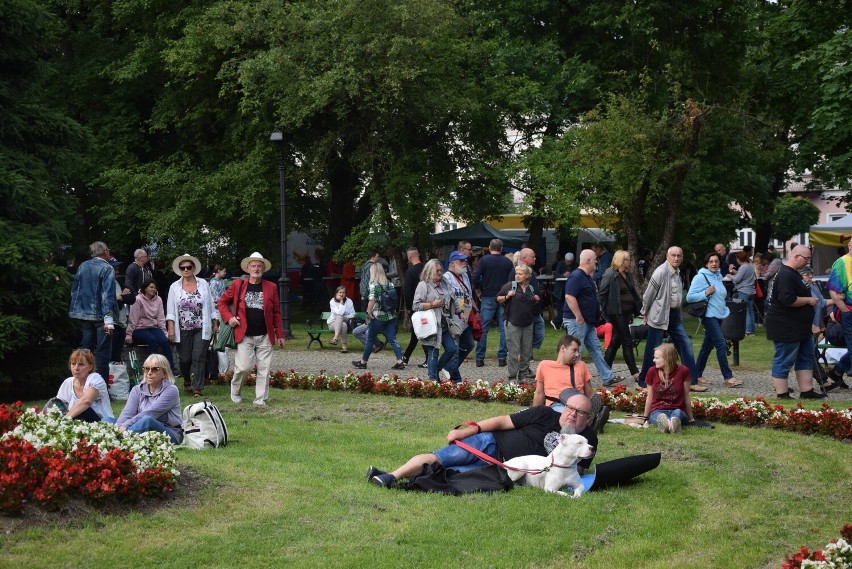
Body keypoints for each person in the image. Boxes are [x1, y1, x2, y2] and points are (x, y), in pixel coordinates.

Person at [367, 392, 598, 488]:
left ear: (588, 418)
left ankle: (390, 478)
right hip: (490, 443)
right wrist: (470, 429)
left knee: (451, 473)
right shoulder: (545, 413)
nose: (572, 414)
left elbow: (574, 471)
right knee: (442, 458)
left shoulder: (588, 440)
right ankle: (391, 477)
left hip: (503, 470)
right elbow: (502, 421)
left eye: (579, 413)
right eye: (569, 408)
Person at [218, 252, 286, 405]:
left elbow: (276, 312)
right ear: (248, 268)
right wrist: (230, 318)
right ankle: (235, 391)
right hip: (245, 334)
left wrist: (280, 334)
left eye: (259, 266)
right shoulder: (238, 285)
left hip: (265, 335)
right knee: (243, 367)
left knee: (264, 368)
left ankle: (260, 399)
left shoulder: (271, 287)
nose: (256, 268)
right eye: (253, 266)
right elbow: (222, 302)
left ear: (264, 269)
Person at [765, 245, 826, 399]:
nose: (808, 262)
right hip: (785, 326)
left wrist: (810, 323)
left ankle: (807, 391)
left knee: (806, 357)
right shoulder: (785, 274)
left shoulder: (793, 273)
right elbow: (787, 299)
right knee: (785, 358)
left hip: (800, 326)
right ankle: (782, 393)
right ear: (796, 257)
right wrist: (809, 300)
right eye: (806, 258)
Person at [637, 246, 699, 390]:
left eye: (679, 256)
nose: (676, 258)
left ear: (682, 257)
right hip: (659, 315)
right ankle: (643, 382)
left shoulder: (677, 272)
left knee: (686, 344)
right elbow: (648, 295)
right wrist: (645, 312)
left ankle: (692, 382)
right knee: (654, 350)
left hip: (674, 315)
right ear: (667, 256)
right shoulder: (660, 272)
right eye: (673, 255)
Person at [564, 249, 621, 387]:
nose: (597, 261)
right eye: (595, 259)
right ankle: (572, 380)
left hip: (588, 322)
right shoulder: (576, 276)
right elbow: (569, 297)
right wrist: (578, 316)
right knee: (576, 351)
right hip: (577, 321)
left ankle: (607, 377)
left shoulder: (586, 276)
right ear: (588, 260)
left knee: (596, 349)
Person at [686, 252, 741, 388]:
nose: (714, 264)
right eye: (711, 261)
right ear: (706, 263)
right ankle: (728, 377)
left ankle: (696, 375)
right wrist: (705, 293)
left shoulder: (718, 276)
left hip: (719, 315)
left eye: (716, 261)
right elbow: (689, 297)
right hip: (708, 316)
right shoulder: (700, 277)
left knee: (707, 346)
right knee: (721, 344)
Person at [167, 254, 217, 398]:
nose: (186, 269)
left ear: (194, 268)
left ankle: (198, 388)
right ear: (180, 269)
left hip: (202, 327)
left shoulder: (203, 284)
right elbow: (170, 311)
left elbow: (210, 305)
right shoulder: (174, 287)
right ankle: (187, 380)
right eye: (183, 267)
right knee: (185, 359)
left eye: (189, 267)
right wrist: (170, 328)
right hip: (182, 328)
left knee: (199, 357)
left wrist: (215, 323)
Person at [68, 241, 117, 382]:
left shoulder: (83, 266)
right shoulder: (107, 268)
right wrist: (109, 319)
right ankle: (99, 389)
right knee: (102, 354)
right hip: (101, 316)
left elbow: (75, 290)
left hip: (83, 314)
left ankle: (82, 385)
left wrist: (76, 310)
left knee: (85, 352)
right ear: (105, 252)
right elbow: (107, 295)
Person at [115, 354, 183, 444]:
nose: (149, 372)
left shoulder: (171, 390)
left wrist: (125, 426)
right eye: (146, 369)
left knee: (147, 420)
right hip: (140, 428)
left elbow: (151, 413)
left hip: (170, 433)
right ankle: (116, 437)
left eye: (155, 369)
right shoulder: (137, 389)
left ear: (164, 373)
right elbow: (127, 413)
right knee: (108, 419)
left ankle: (116, 440)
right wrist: (118, 426)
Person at [352, 262, 406, 370]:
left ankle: (363, 362)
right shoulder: (389, 284)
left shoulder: (374, 285)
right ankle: (400, 361)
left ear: (373, 272)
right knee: (392, 339)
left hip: (379, 316)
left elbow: (372, 299)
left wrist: (368, 311)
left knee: (370, 338)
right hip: (391, 315)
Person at [470, 239, 515, 367]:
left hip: (488, 295)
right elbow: (512, 280)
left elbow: (475, 276)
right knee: (503, 328)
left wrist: (478, 289)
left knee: (484, 328)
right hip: (503, 296)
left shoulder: (484, 260)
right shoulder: (508, 262)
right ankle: (502, 357)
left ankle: (479, 358)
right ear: (501, 248)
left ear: (490, 248)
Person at [598, 250, 641, 382]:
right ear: (621, 260)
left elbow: (632, 292)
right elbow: (602, 294)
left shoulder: (626, 274)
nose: (630, 262)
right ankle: (635, 373)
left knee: (615, 341)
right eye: (628, 259)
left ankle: (605, 370)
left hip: (626, 312)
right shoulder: (610, 274)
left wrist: (637, 309)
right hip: (616, 312)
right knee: (627, 341)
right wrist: (603, 313)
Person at [411, 259, 458, 381]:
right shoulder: (423, 285)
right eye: (437, 271)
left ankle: (436, 370)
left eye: (440, 270)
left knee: (452, 349)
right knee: (433, 352)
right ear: (429, 271)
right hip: (431, 325)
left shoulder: (445, 282)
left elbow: (453, 297)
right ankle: (433, 380)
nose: (440, 273)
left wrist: (459, 311)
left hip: (444, 323)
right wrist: (432, 304)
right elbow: (416, 306)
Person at [126, 279, 178, 374]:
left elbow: (161, 318)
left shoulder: (158, 300)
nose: (153, 289)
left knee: (164, 341)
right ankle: (151, 368)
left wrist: (165, 333)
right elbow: (133, 318)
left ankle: (171, 369)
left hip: (153, 328)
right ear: (145, 288)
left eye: (155, 288)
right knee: (152, 340)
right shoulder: (138, 299)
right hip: (139, 329)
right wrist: (129, 334)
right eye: (151, 287)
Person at [497, 264, 540, 380]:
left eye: (520, 274)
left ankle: (523, 375)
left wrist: (535, 300)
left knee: (526, 353)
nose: (517, 276)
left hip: (528, 324)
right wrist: (507, 296)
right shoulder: (510, 286)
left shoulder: (531, 288)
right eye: (516, 273)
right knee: (514, 353)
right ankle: (511, 377)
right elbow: (498, 299)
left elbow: (529, 304)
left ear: (527, 275)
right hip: (513, 324)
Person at [641, 344, 694, 434]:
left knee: (677, 414)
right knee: (659, 416)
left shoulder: (683, 371)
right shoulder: (652, 371)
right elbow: (649, 397)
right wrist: (645, 417)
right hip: (657, 410)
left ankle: (668, 424)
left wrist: (691, 418)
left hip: (678, 409)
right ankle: (671, 425)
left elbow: (686, 396)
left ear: (667, 358)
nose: (654, 360)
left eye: (657, 358)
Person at [532, 335, 595, 408]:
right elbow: (539, 393)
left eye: (578, 351)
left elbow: (590, 394)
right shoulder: (544, 365)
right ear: (563, 348)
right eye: (574, 350)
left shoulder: (581, 366)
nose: (577, 354)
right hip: (554, 407)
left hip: (575, 407)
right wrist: (534, 413)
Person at [55, 348, 115, 423]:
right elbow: (58, 406)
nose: (76, 368)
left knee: (82, 410)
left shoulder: (96, 379)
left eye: (81, 364)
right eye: (73, 364)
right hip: (76, 423)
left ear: (90, 367)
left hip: (101, 423)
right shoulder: (68, 382)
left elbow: (86, 402)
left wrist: (64, 421)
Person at [443, 251, 475, 381]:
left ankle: (449, 367)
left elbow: (468, 295)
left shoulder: (465, 276)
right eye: (461, 261)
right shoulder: (447, 278)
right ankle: (456, 379)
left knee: (469, 344)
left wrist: (475, 311)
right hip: (453, 320)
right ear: (452, 263)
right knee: (455, 350)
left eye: (465, 261)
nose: (464, 264)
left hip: (465, 320)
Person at [401, 247, 426, 367]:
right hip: (428, 305)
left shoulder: (410, 272)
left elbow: (408, 291)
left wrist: (410, 307)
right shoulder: (426, 269)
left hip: (416, 306)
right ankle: (406, 356)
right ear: (419, 254)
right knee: (417, 332)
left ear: (409, 257)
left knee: (418, 332)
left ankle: (407, 356)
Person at [517, 248, 546, 352]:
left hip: (535, 310)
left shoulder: (530, 271)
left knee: (539, 334)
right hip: (526, 311)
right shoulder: (518, 271)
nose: (535, 259)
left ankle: (527, 353)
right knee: (526, 336)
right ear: (524, 258)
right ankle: (525, 355)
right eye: (532, 257)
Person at [732, 251, 756, 336]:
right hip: (751, 290)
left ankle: (748, 331)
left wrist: (730, 276)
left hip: (744, 291)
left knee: (745, 311)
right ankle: (752, 330)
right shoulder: (750, 266)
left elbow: (736, 279)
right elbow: (744, 276)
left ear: (738, 259)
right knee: (751, 310)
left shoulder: (743, 267)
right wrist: (735, 272)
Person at [328, 285, 355, 353]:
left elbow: (353, 314)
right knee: (343, 324)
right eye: (340, 292)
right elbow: (339, 313)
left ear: (345, 293)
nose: (341, 294)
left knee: (340, 317)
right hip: (333, 323)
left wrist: (344, 317)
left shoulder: (349, 301)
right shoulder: (332, 301)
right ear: (336, 293)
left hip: (346, 319)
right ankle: (344, 346)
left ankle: (335, 338)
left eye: (343, 292)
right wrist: (341, 302)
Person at [550, 252, 574, 329]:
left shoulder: (575, 265)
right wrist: (563, 275)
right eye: (567, 261)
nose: (569, 263)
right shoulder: (560, 264)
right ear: (565, 259)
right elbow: (556, 275)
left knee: (565, 306)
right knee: (561, 307)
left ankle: (557, 322)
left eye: (570, 262)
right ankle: (557, 322)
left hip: (568, 289)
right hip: (560, 290)